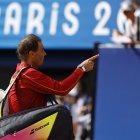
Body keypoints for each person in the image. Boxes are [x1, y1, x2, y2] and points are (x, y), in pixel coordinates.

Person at [8, 34, 99, 115]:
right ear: (32, 54)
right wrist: (81, 69)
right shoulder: (28, 74)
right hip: (27, 132)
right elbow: (62, 89)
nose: (45, 53)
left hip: (23, 130)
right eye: (42, 50)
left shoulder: (18, 73)